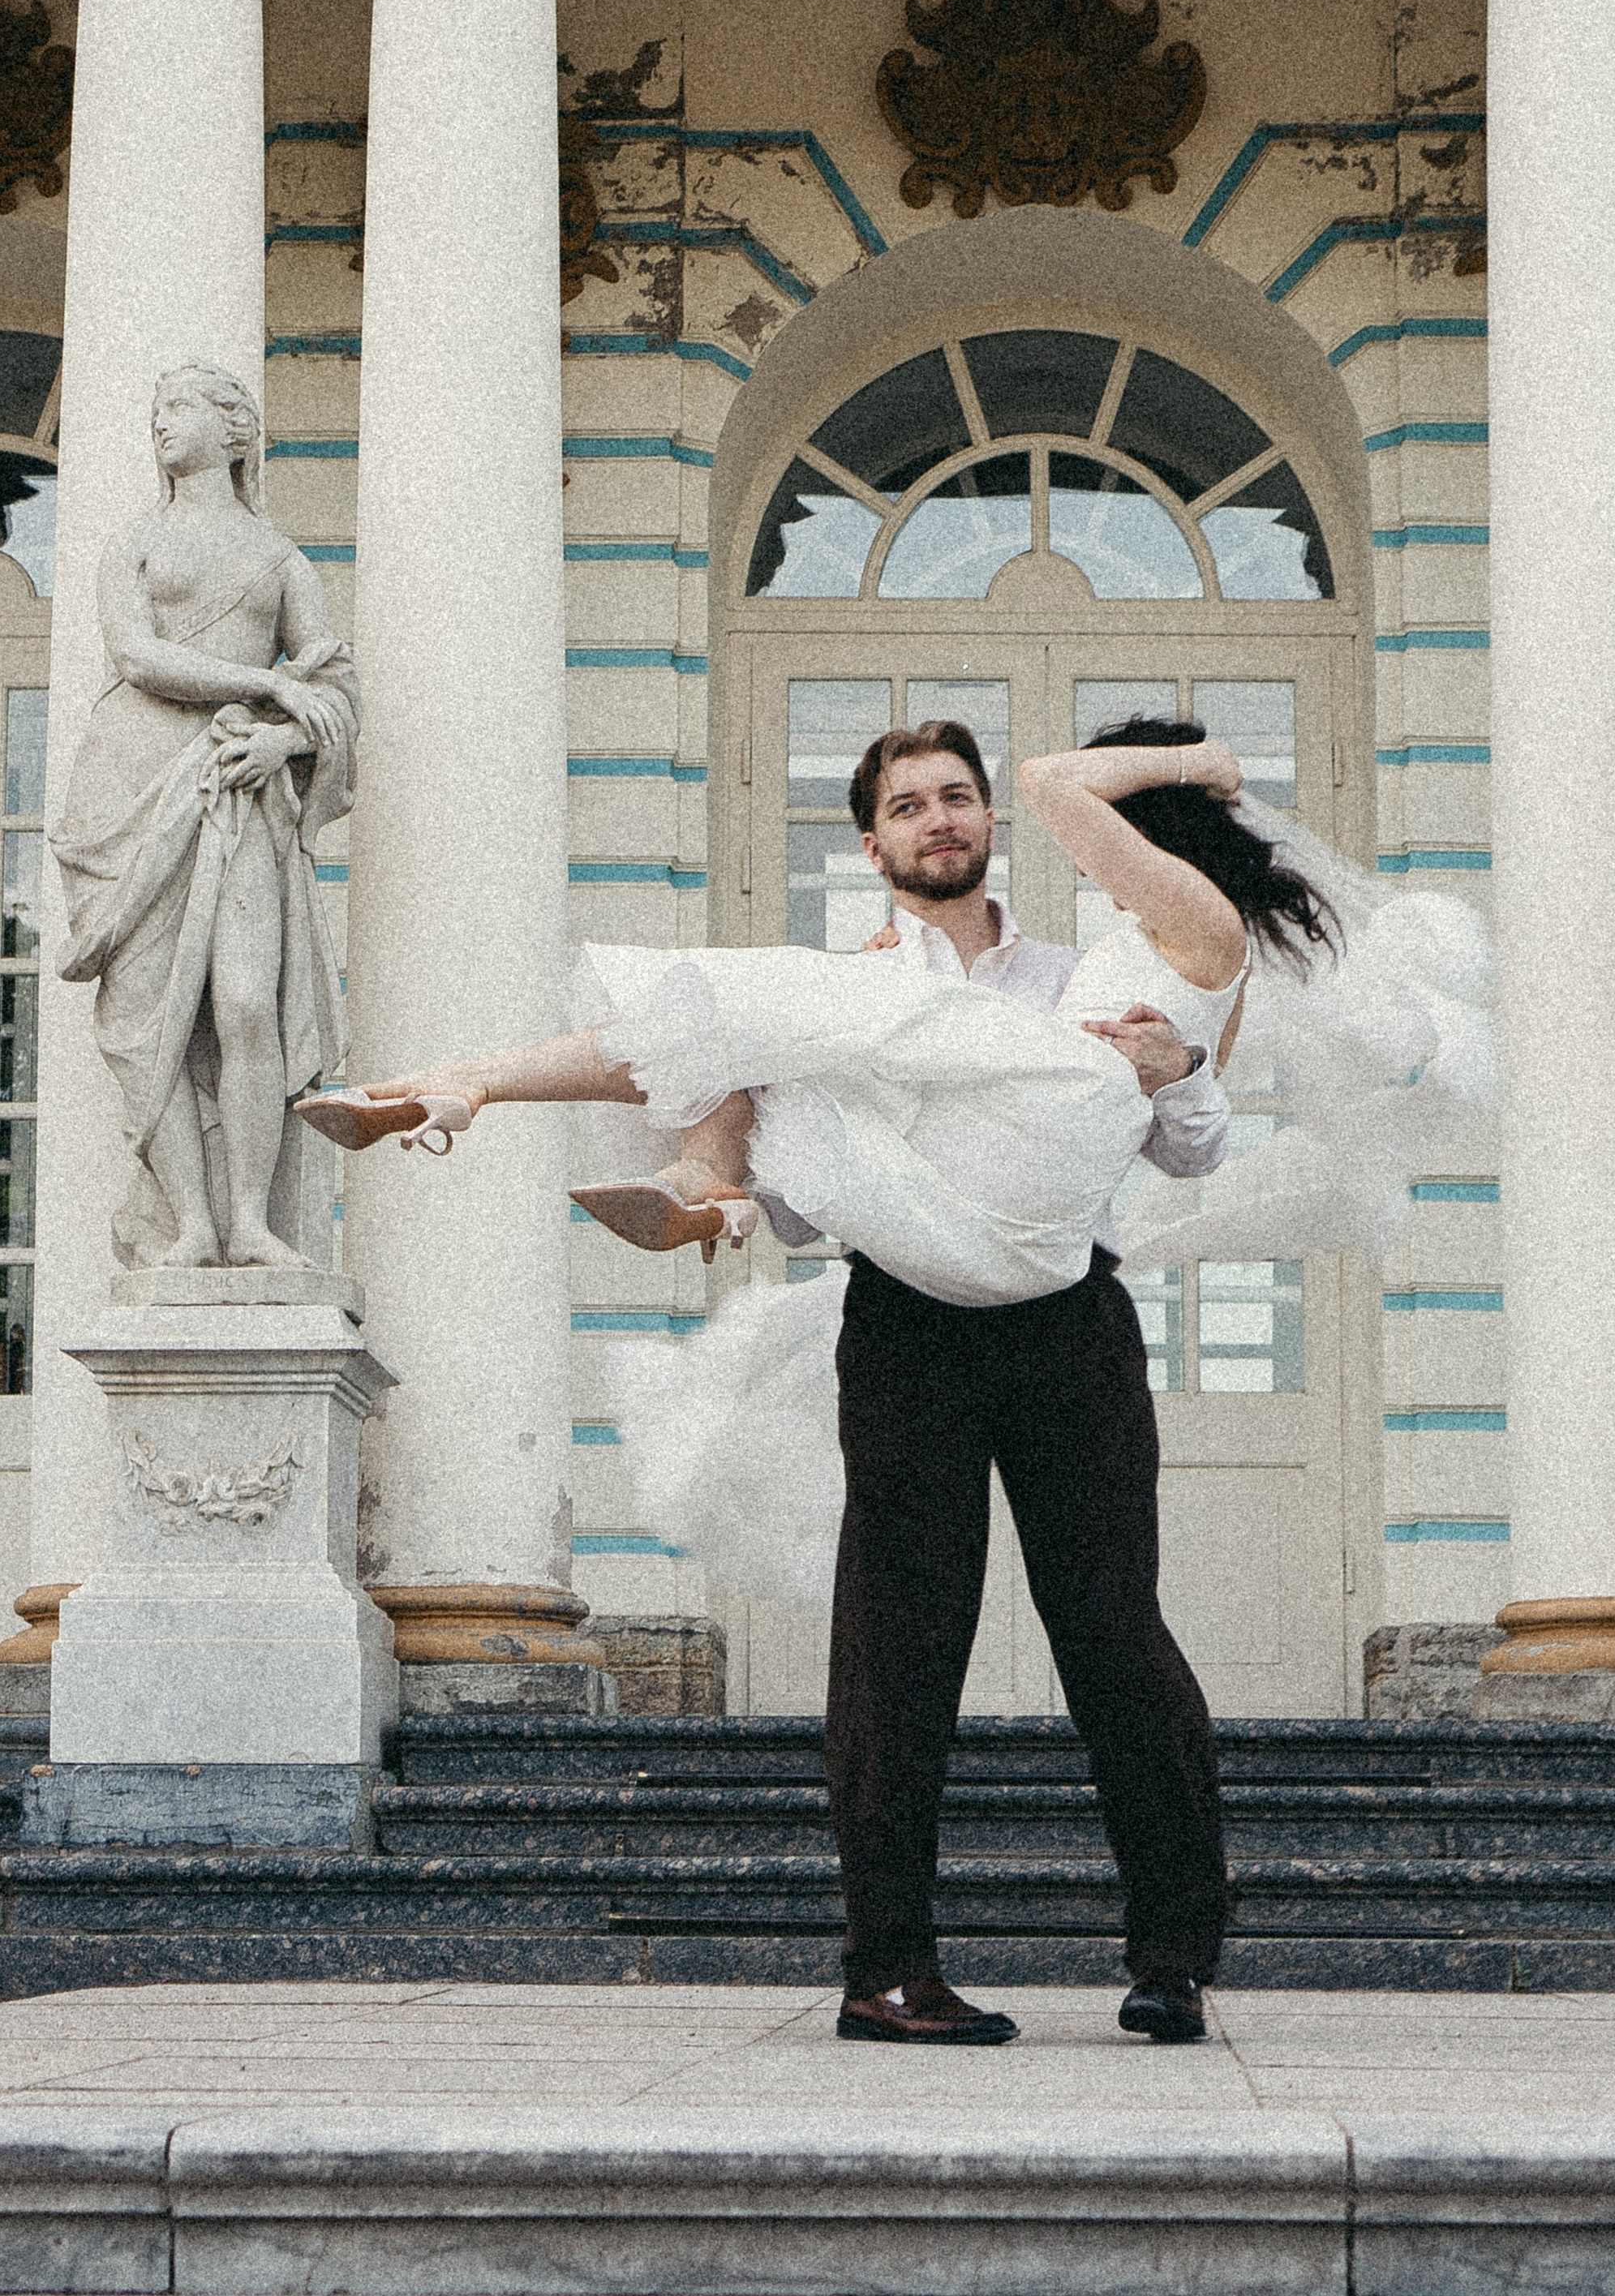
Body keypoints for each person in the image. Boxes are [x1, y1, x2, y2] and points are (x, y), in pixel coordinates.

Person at [301, 715, 1338, 2045]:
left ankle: (1172, 1958)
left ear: (990, 823)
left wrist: (1176, 1065)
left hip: (1068, 1320)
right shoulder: (853, 980)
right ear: (874, 843)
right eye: (911, 805)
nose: (940, 819)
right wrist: (777, 1176)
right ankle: (888, 1970)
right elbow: (827, 1207)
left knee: (1115, 1635)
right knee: (897, 1646)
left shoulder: (1092, 972)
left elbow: (1190, 1153)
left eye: (957, 797)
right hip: (907, 1314)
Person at [54, 365, 356, 1272]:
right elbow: (137, 654)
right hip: (132, 785)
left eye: (177, 408)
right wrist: (265, 685)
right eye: (153, 412)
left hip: (238, 789)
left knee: (246, 1004)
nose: (159, 425)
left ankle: (253, 1222)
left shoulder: (279, 559)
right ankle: (192, 1224)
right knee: (155, 1024)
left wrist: (281, 747)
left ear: (236, 433)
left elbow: (334, 685)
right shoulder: (134, 543)